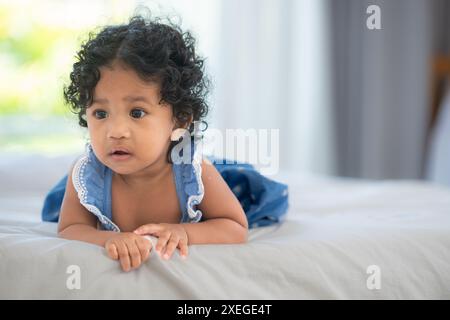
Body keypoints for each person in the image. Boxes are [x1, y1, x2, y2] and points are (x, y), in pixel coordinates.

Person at [41, 14, 289, 272]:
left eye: (137, 113)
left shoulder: (196, 173)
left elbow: (235, 228)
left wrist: (185, 232)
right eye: (100, 114)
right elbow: (71, 228)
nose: (115, 131)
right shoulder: (87, 176)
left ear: (179, 120)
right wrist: (111, 238)